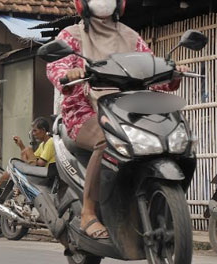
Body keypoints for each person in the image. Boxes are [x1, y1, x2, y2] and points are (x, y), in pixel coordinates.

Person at [46, 0, 186, 239]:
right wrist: (68, 74)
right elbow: (56, 69)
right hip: (84, 110)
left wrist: (172, 73)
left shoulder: (131, 37)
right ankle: (88, 214)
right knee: (105, 140)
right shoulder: (71, 36)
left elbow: (152, 72)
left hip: (129, 112)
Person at [0, 117, 56, 195]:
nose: (33, 134)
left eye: (35, 130)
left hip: (45, 176)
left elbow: (40, 163)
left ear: (43, 130)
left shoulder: (50, 142)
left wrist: (25, 160)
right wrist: (21, 146)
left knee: (26, 152)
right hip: (41, 172)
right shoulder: (42, 144)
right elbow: (33, 158)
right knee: (16, 163)